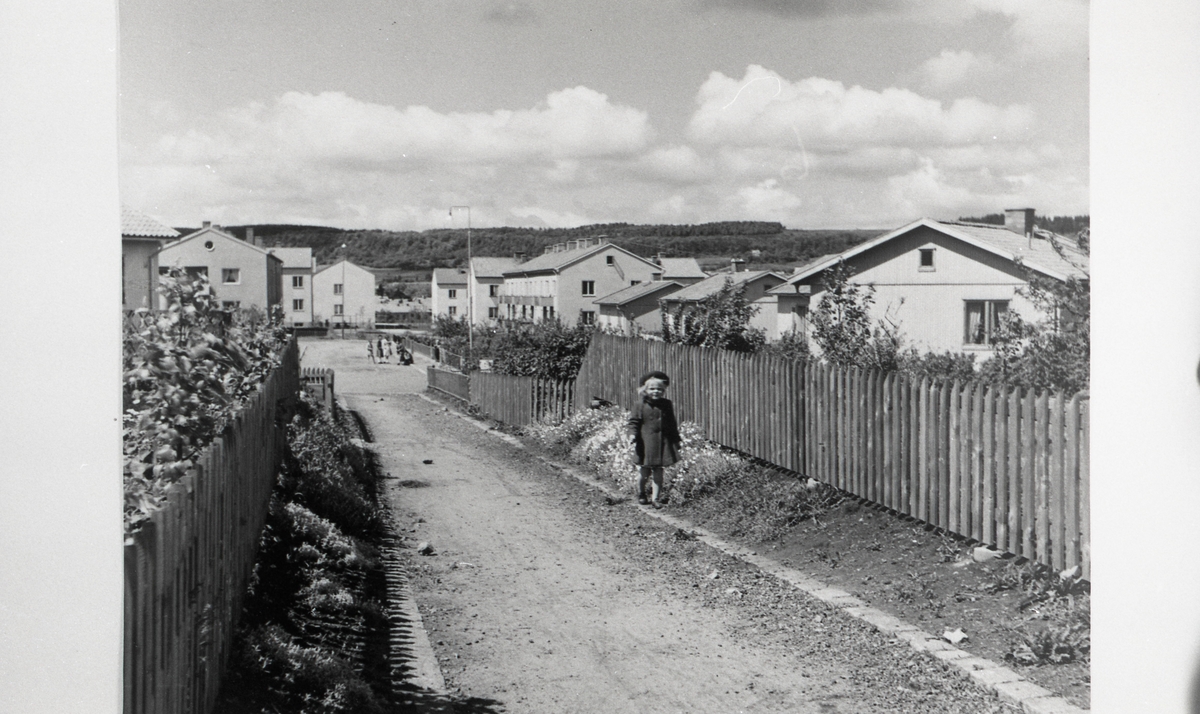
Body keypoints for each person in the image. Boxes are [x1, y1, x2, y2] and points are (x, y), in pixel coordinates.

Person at [626, 371, 681, 508]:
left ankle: (656, 498)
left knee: (659, 471)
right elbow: (633, 422)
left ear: (664, 390)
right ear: (645, 390)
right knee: (644, 471)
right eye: (652, 389)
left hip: (663, 442)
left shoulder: (666, 404)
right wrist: (632, 435)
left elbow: (671, 423)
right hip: (646, 443)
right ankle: (641, 493)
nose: (656, 391)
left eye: (659, 389)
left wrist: (676, 440)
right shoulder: (640, 405)